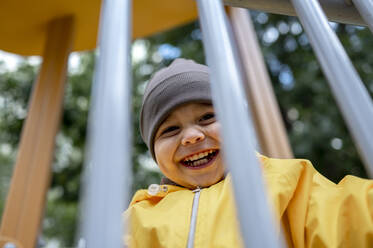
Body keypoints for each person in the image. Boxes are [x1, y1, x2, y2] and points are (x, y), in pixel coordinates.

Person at [123, 58, 373, 248]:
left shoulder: (283, 182)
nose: (191, 136)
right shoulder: (138, 218)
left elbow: (347, 216)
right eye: (170, 129)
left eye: (208, 117)